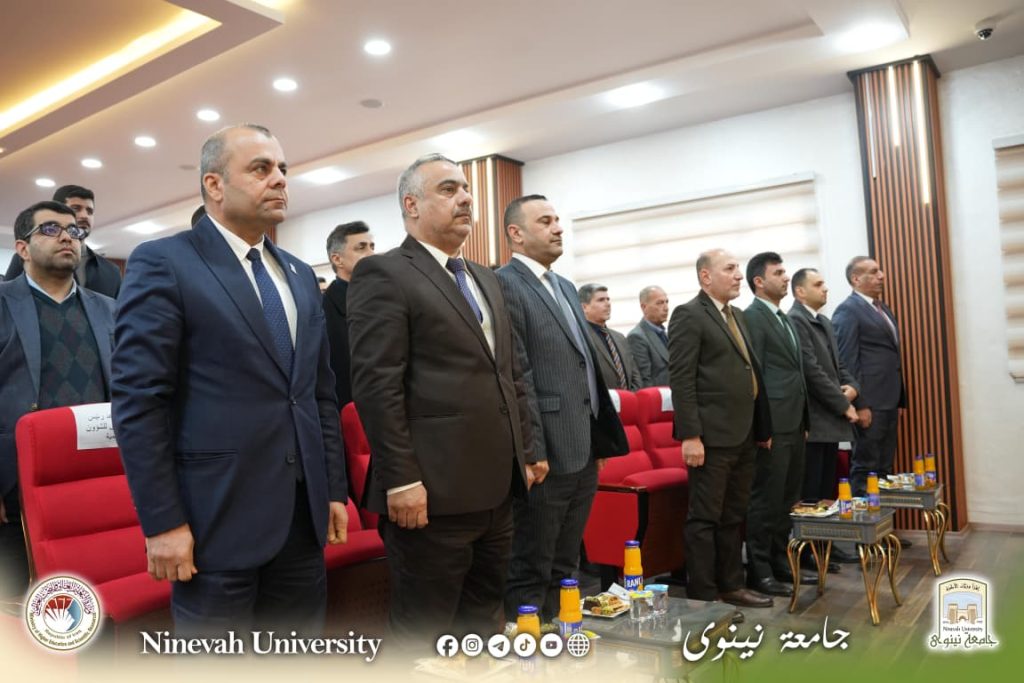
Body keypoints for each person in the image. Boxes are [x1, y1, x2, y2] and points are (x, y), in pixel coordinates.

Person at [111, 124, 348, 634]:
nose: (279, 179)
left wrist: (332, 488)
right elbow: (139, 402)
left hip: (300, 518)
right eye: (261, 168)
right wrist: (162, 522)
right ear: (214, 184)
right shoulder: (165, 262)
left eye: (282, 169)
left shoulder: (298, 274)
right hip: (213, 519)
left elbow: (318, 394)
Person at [347, 154, 533, 648]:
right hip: (430, 494)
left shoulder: (485, 277)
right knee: (422, 636)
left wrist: (528, 451)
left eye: (466, 189)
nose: (466, 198)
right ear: (411, 205)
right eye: (449, 190)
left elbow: (510, 372)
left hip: (496, 489)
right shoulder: (384, 273)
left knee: (483, 623)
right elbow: (377, 386)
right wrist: (401, 479)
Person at [497, 197, 627, 621]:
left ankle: (560, 636)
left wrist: (597, 438)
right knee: (532, 564)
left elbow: (582, 365)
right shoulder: (505, 284)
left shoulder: (566, 286)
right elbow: (519, 373)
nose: (558, 228)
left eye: (557, 220)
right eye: (545, 221)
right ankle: (528, 645)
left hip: (582, 444)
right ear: (516, 233)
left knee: (566, 562)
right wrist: (532, 450)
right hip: (546, 451)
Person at [0, 201, 116, 599]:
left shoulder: (110, 310)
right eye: (50, 229)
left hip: (98, 480)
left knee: (94, 595)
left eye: (74, 231)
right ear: (22, 248)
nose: (68, 236)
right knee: (21, 602)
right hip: (16, 483)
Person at [668, 249, 772, 609]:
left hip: (743, 433)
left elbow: (750, 372)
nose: (739, 275)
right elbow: (682, 379)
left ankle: (732, 585)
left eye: (738, 268)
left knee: (733, 515)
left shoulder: (737, 315)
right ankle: (702, 592)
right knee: (704, 518)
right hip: (710, 436)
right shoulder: (688, 314)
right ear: (706, 276)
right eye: (730, 269)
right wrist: (690, 435)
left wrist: (762, 427)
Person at [742, 252, 811, 597]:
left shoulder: (784, 317)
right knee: (766, 499)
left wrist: (804, 419)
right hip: (773, 424)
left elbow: (795, 372)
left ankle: (781, 561)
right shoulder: (753, 317)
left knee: (787, 498)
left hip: (794, 421)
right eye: (779, 272)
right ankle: (760, 570)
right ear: (759, 281)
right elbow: (754, 376)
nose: (786, 278)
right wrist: (762, 426)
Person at [788, 267, 860, 566]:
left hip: (830, 420)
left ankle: (825, 544)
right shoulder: (796, 320)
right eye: (818, 284)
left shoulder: (824, 322)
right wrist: (843, 405)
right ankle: (808, 551)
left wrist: (853, 388)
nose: (825, 289)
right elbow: (812, 371)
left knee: (826, 488)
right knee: (811, 490)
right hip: (813, 420)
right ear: (800, 291)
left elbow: (838, 366)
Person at [832, 257, 907, 499]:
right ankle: (864, 524)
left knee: (884, 470)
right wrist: (860, 404)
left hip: (888, 402)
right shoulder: (847, 310)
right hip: (869, 404)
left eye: (880, 271)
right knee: (866, 469)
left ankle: (883, 524)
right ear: (856, 279)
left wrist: (898, 399)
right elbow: (846, 361)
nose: (881, 275)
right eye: (874, 272)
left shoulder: (882, 308)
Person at [5, 185, 122, 298]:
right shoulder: (30, 258)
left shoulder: (111, 271)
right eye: (76, 209)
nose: (84, 216)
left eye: (89, 211)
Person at [323, 221, 375, 408]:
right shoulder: (322, 310)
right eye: (361, 248)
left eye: (372, 246)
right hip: (352, 410)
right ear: (337, 259)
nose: (371, 254)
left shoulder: (384, 298)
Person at [579, 283, 642, 391]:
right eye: (601, 300)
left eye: (608, 299)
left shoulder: (620, 338)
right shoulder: (581, 338)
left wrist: (630, 397)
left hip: (629, 400)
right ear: (584, 307)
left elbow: (635, 375)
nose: (608, 304)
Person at [628, 286, 670, 387]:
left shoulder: (665, 333)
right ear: (644, 307)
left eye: (666, 302)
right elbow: (645, 380)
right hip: (660, 395)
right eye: (659, 303)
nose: (666, 308)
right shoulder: (636, 337)